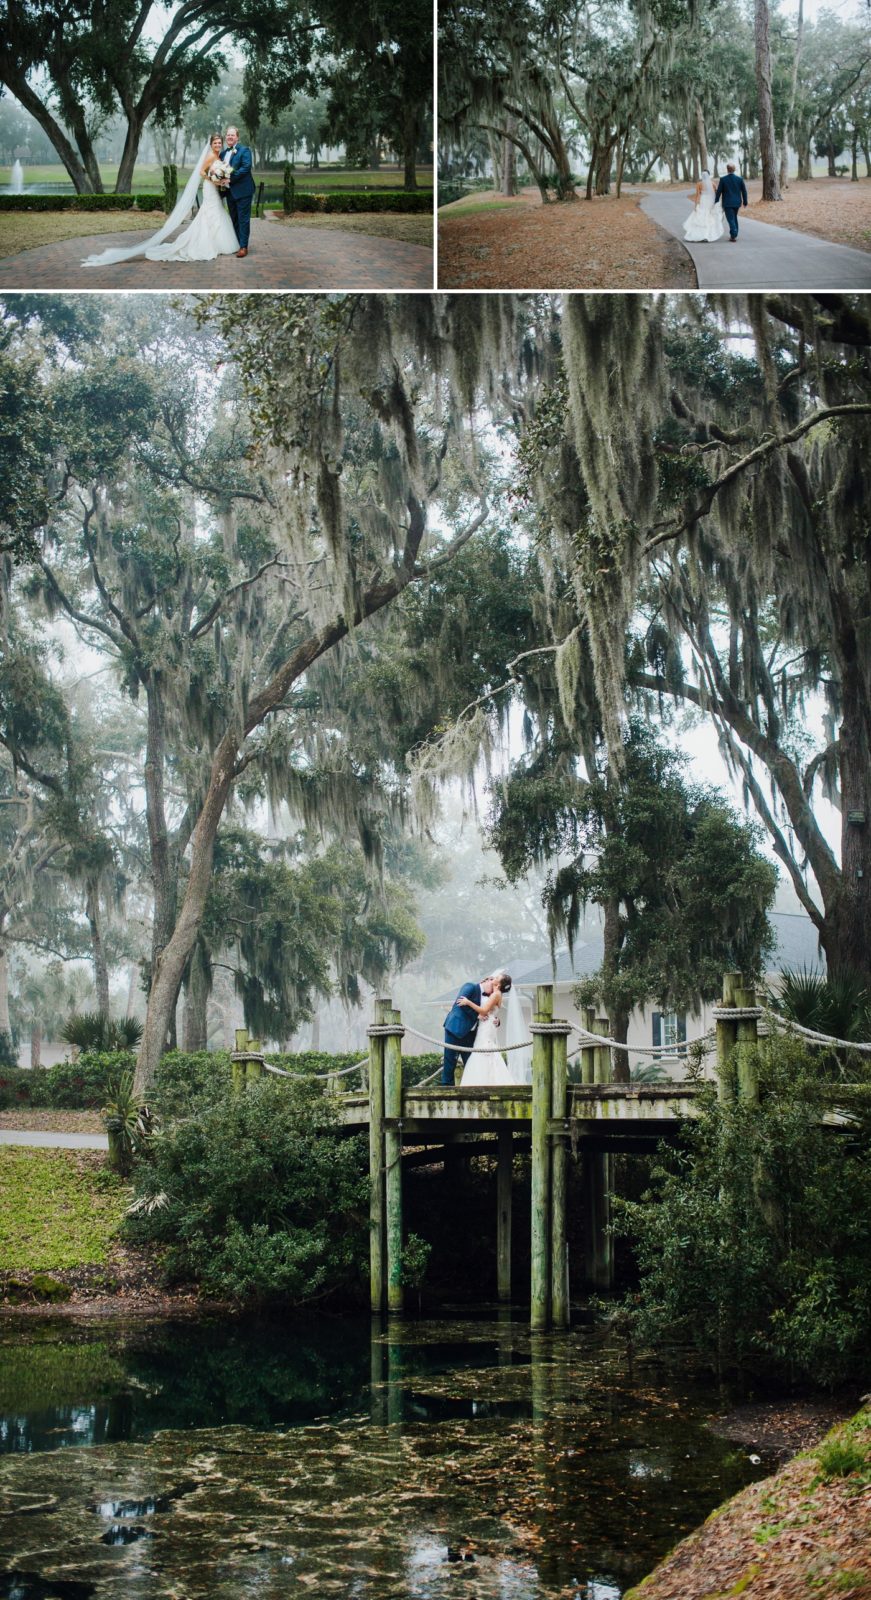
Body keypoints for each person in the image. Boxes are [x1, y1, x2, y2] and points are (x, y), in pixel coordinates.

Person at [82, 134, 238, 268]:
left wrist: (222, 179)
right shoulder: (210, 156)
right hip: (210, 188)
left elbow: (217, 173)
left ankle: (216, 243)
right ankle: (206, 244)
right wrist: (215, 180)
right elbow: (202, 173)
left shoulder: (219, 156)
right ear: (211, 144)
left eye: (219, 143)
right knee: (209, 213)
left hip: (215, 189)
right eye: (215, 143)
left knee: (215, 212)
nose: (218, 144)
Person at [460, 974, 515, 1087]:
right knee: (484, 1049)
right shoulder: (495, 994)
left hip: (486, 1026)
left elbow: (484, 1011)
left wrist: (468, 1002)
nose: (493, 978)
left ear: (498, 984)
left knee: (484, 1049)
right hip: (486, 1024)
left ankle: (485, 1081)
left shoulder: (496, 994)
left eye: (496, 978)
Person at [442, 975, 493, 1086]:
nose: (493, 989)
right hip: (455, 1029)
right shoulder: (470, 986)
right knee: (450, 1062)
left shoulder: (489, 997)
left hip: (470, 1035)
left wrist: (495, 1020)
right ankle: (447, 1091)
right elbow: (460, 1003)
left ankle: (470, 1088)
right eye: (492, 985)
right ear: (487, 980)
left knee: (470, 1064)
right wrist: (477, 1015)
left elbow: (488, 1013)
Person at [220, 126, 255, 258]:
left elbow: (246, 167)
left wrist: (230, 178)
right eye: (228, 135)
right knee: (233, 219)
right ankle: (237, 243)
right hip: (229, 193)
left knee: (243, 219)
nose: (229, 137)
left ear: (237, 137)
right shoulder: (223, 154)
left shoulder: (244, 150)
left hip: (243, 191)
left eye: (232, 135)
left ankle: (243, 247)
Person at [682, 169, 725, 244]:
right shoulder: (713, 184)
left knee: (702, 215)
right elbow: (717, 194)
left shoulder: (699, 184)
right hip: (710, 201)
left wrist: (695, 205)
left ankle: (699, 235)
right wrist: (716, 203)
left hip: (703, 200)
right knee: (709, 215)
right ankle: (708, 235)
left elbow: (698, 195)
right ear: (709, 175)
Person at [714, 163, 749, 242]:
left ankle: (733, 234)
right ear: (734, 169)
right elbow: (744, 191)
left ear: (727, 170)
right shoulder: (739, 179)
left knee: (731, 219)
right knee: (734, 217)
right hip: (737, 202)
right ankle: (734, 233)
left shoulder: (723, 179)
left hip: (728, 203)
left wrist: (716, 201)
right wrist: (745, 202)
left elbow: (719, 192)